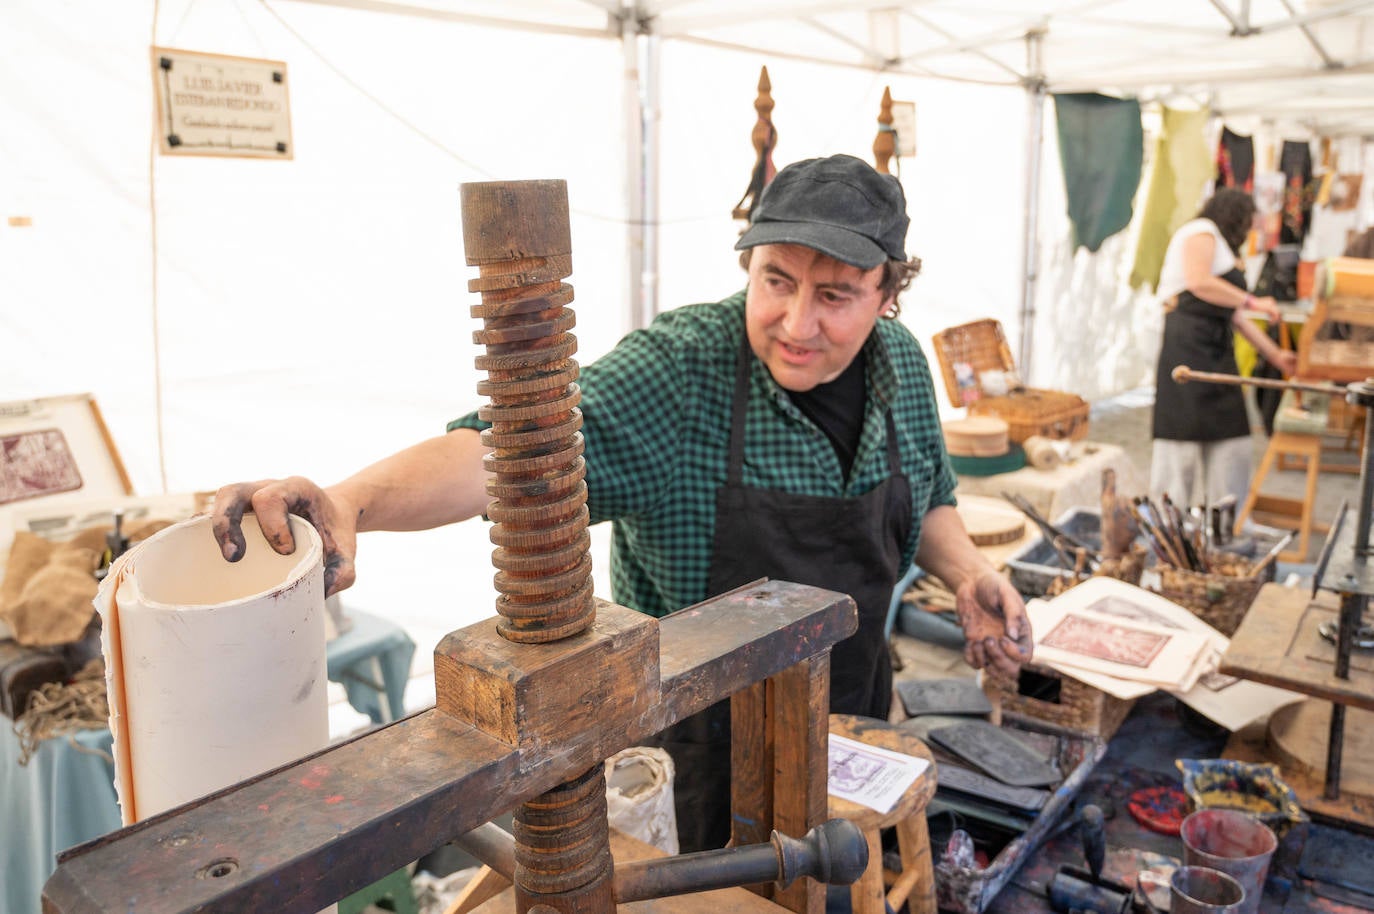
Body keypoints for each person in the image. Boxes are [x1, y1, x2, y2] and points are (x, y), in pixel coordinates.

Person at [211, 153, 1032, 852]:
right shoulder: (681, 371)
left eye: (837, 294)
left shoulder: (901, 365)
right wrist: (354, 499)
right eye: (775, 280)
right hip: (695, 755)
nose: (796, 321)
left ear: (890, 293)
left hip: (844, 721)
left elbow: (929, 501)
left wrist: (966, 572)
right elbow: (501, 450)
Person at [1151, 187, 1298, 508]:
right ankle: (1170, 527)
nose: (1247, 231)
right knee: (1181, 439)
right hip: (1186, 346)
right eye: (1246, 222)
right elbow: (1198, 282)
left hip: (1217, 348)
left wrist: (1274, 354)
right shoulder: (1201, 232)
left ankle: (1227, 525)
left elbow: (1235, 316)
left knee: (1232, 438)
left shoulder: (1222, 248)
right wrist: (1253, 300)